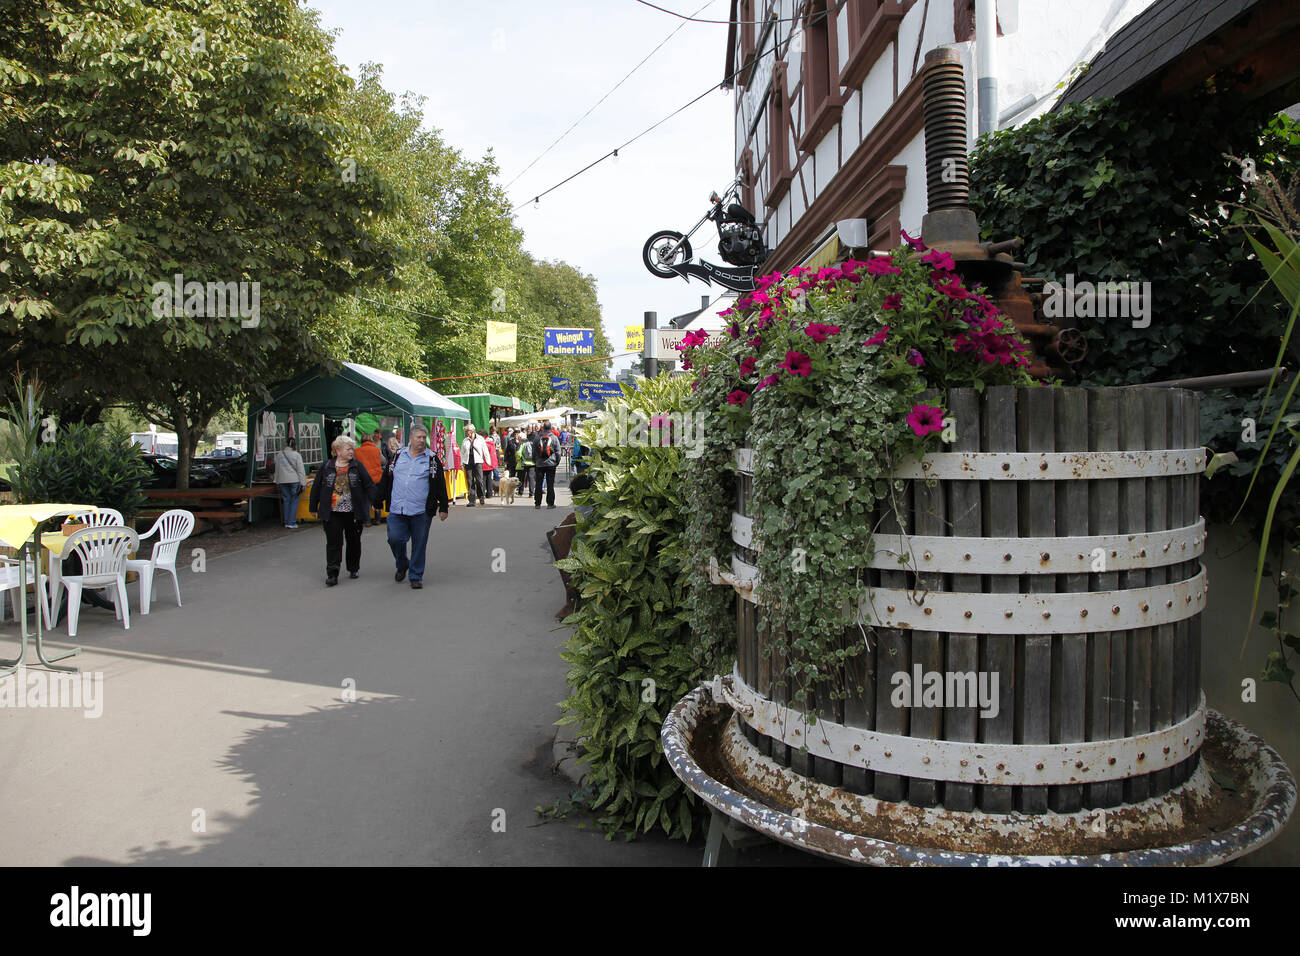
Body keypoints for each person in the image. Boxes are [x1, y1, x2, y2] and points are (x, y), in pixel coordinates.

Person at [383, 423, 450, 589]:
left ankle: (415, 575)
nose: (421, 440)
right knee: (394, 539)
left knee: (419, 544)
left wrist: (443, 507)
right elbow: (387, 478)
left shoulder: (432, 458)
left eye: (423, 437)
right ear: (410, 438)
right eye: (418, 437)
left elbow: (440, 484)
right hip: (398, 508)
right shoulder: (398, 455)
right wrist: (378, 499)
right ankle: (402, 563)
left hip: (421, 510)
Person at [308, 435, 376, 587]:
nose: (352, 451)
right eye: (348, 449)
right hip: (332, 512)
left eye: (352, 448)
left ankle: (353, 567)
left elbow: (369, 485)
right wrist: (313, 507)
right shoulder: (327, 467)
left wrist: (375, 501)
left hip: (353, 512)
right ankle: (332, 573)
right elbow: (316, 487)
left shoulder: (357, 466)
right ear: (338, 451)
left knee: (353, 541)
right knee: (333, 543)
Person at [274, 437, 307, 529]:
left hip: (282, 480)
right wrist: (303, 482)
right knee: (294, 500)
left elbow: (277, 469)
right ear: (294, 445)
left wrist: (276, 481)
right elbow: (301, 470)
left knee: (286, 500)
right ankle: (291, 522)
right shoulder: (296, 455)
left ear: (286, 444)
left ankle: (286, 521)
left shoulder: (279, 455)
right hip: (294, 480)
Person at [355, 432, 385, 526]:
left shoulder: (356, 451)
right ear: (371, 440)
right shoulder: (377, 450)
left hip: (363, 478)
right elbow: (383, 461)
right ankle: (377, 519)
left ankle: (367, 521)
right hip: (376, 478)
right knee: (376, 499)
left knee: (365, 501)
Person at [532, 419, 561, 509]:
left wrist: (535, 461)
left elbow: (534, 451)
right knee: (550, 484)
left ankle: (537, 503)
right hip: (551, 464)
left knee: (538, 484)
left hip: (539, 464)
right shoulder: (554, 438)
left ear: (543, 427)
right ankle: (550, 503)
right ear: (551, 428)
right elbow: (558, 452)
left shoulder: (537, 438)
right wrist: (557, 462)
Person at [461, 424, 489, 507]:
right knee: (470, 481)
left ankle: (481, 496)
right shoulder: (465, 440)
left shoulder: (480, 439)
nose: (466, 433)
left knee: (479, 480)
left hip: (478, 461)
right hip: (468, 462)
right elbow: (462, 452)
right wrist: (461, 463)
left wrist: (488, 461)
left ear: (472, 431)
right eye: (466, 431)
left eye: (467, 431)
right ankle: (472, 500)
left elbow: (485, 450)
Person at [516, 428, 534, 497]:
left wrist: (519, 459)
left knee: (522, 478)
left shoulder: (522, 444)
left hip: (524, 463)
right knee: (531, 478)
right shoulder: (532, 444)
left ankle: (520, 492)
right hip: (532, 463)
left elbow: (518, 453)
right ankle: (531, 493)